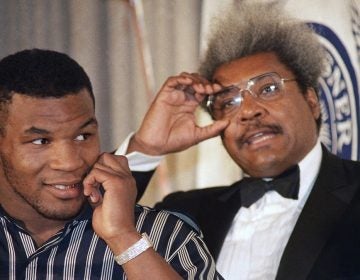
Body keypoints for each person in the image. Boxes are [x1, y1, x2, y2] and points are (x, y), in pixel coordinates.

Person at [118, 2, 360, 280]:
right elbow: (75, 241)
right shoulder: (183, 214)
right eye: (228, 101)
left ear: (312, 100)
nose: (248, 111)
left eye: (268, 88)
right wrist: (147, 148)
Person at [0, 49, 223, 280]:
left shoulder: (164, 238)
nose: (70, 163)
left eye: (82, 136)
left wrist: (124, 238)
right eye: (41, 141)